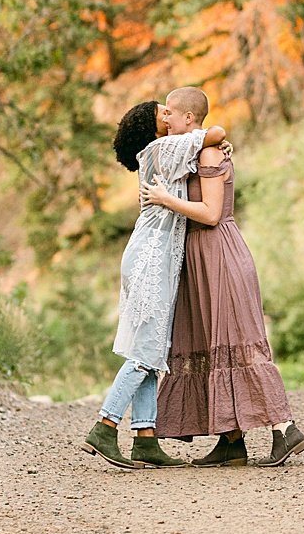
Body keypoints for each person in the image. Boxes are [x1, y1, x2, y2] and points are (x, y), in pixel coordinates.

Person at [142, 87, 304, 467]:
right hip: (199, 258)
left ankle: (285, 430)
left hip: (220, 253)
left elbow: (211, 213)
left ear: (188, 119)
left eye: (170, 113)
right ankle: (231, 440)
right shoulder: (192, 152)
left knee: (239, 341)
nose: (164, 119)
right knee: (210, 341)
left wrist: (166, 200)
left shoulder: (210, 153)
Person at [81, 91, 227, 469]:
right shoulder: (164, 150)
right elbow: (218, 130)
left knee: (151, 349)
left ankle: (145, 437)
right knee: (147, 350)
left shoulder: (162, 153)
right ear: (156, 127)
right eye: (164, 112)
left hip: (150, 256)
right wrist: (217, 138)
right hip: (151, 259)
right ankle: (105, 425)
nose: (170, 113)